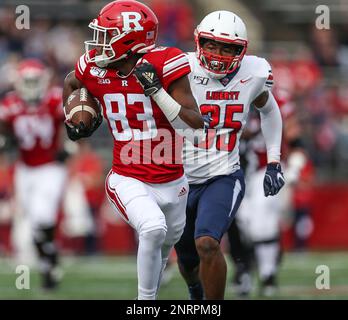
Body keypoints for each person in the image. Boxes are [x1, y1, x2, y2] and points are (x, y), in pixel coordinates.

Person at [62, 0, 204, 300]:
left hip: (174, 181)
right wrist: (75, 118)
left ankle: (196, 296)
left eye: (105, 35)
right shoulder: (91, 67)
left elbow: (194, 125)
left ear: (128, 39)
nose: (97, 43)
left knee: (171, 250)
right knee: (152, 229)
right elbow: (72, 83)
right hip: (127, 177)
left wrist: (158, 92)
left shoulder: (166, 62)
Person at [174, 10, 285, 300]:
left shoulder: (255, 73)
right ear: (199, 41)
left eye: (228, 48)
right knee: (187, 260)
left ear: (242, 50)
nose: (217, 53)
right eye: (211, 44)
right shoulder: (178, 67)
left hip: (223, 174)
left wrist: (274, 161)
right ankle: (196, 293)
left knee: (208, 244)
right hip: (178, 178)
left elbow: (270, 109)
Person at [227, 93, 311, 297]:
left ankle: (267, 274)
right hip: (230, 169)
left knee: (262, 225)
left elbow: (295, 139)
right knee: (237, 224)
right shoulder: (229, 94)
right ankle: (243, 269)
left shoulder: (278, 100)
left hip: (265, 170)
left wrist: (294, 167)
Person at [0, 58, 67, 290]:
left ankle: (48, 266)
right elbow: (4, 131)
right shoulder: (10, 103)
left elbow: (77, 123)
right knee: (32, 222)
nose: (30, 86)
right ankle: (50, 260)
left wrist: (70, 146)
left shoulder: (55, 99)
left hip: (50, 167)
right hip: (24, 170)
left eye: (34, 81)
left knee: (42, 217)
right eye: (26, 81)